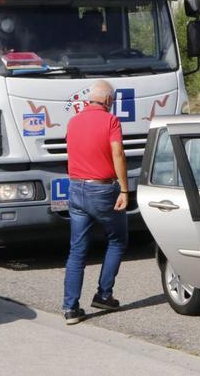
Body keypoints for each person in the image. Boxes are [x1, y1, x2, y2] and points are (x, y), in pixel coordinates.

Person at [61, 80, 129, 325]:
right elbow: (118, 153)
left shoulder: (74, 121)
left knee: (77, 250)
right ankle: (104, 294)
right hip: (102, 190)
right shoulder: (111, 121)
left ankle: (70, 308)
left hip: (76, 189)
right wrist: (124, 189)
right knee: (117, 240)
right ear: (109, 101)